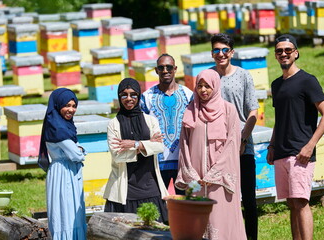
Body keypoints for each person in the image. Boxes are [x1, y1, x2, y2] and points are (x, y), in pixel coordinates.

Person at [267, 34, 324, 240]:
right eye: (279, 51)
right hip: (281, 152)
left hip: (301, 153)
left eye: (288, 50)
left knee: (301, 202)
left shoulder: (307, 80)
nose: (284, 54)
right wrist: (271, 146)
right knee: (291, 203)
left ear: (296, 53)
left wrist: (310, 146)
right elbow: (280, 119)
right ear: (276, 56)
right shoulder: (276, 85)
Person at [176, 69, 247, 240]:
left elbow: (232, 144)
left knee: (220, 220)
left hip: (220, 179)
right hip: (196, 180)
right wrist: (191, 173)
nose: (203, 90)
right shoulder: (191, 110)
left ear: (215, 86)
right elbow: (184, 144)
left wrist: (214, 174)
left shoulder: (228, 110)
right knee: (196, 222)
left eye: (207, 86)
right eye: (199, 86)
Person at [210, 33, 259, 240]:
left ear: (231, 52)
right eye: (216, 50)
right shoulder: (208, 77)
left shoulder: (244, 75)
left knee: (248, 199)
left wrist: (243, 139)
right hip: (217, 149)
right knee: (221, 199)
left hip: (242, 147)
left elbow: (253, 113)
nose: (220, 54)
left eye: (224, 50)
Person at [103, 78, 169, 223]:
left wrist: (135, 144)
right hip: (125, 190)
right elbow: (117, 155)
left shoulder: (151, 121)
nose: (129, 99)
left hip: (150, 187)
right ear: (119, 97)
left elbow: (159, 147)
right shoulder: (113, 124)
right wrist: (147, 145)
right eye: (124, 95)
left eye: (133, 94)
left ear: (139, 96)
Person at [38, 88, 87, 239]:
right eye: (67, 105)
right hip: (63, 174)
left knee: (70, 212)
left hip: (66, 171)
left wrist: (78, 150)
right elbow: (76, 154)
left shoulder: (62, 125)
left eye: (74, 105)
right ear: (58, 105)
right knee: (66, 213)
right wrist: (82, 150)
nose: (71, 109)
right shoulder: (58, 128)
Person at [140, 53, 193, 194]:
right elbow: (141, 126)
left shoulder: (188, 95)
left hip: (183, 162)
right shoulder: (147, 97)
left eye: (169, 67)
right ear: (156, 70)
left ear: (175, 69)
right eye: (161, 67)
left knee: (184, 204)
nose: (165, 71)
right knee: (158, 204)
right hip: (156, 163)